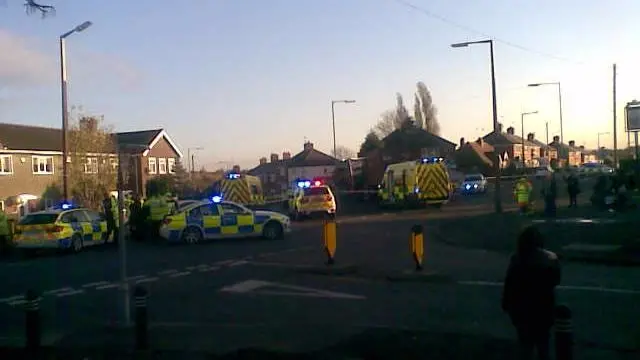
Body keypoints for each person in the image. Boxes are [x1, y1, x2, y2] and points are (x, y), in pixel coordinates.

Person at [502, 226, 561, 360]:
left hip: (522, 309)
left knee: (525, 344)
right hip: (543, 307)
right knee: (543, 343)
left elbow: (510, 284)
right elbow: (556, 280)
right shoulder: (550, 259)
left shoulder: (517, 259)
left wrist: (507, 304)